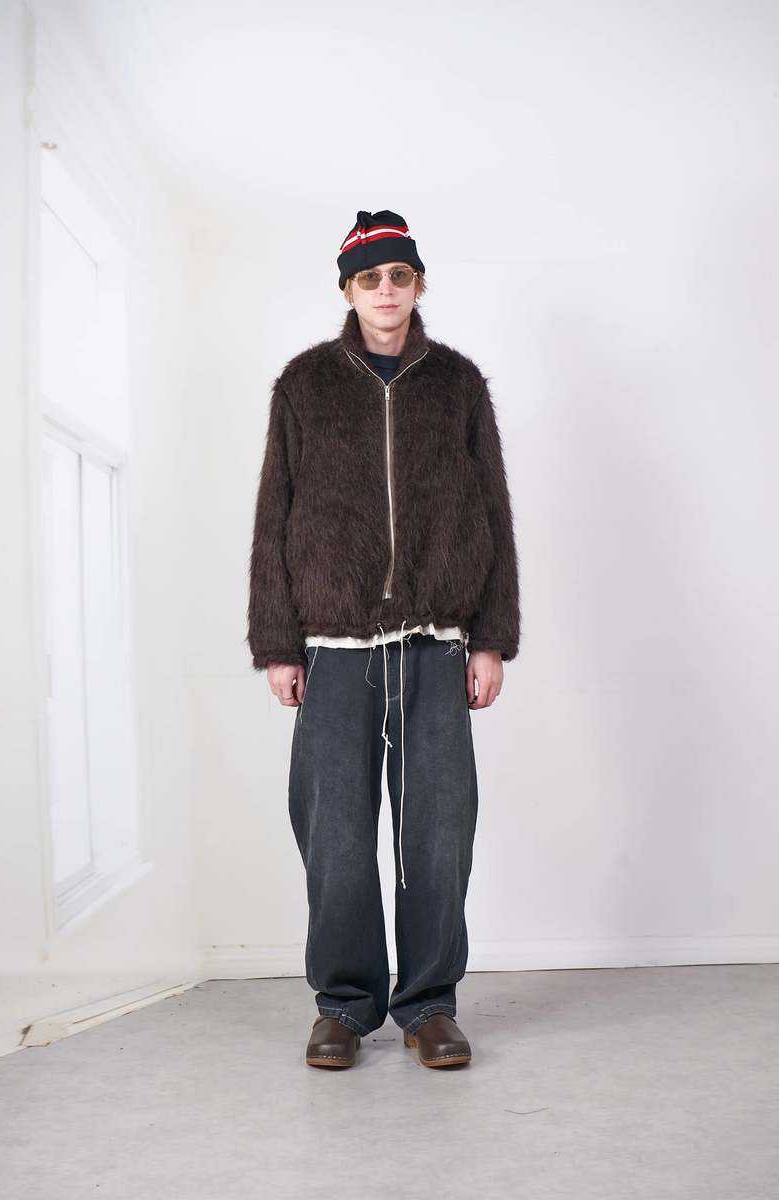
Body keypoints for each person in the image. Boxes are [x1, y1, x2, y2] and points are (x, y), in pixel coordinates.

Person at [247, 208, 521, 1069]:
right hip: (334, 650)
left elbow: (494, 512)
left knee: (438, 833)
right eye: (370, 278)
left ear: (419, 283)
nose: (386, 291)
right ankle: (344, 1005)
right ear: (348, 290)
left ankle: (429, 1005)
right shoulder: (304, 385)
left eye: (400, 276)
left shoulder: (458, 384)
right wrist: (278, 644)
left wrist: (491, 638)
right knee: (333, 836)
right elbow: (274, 515)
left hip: (437, 645)